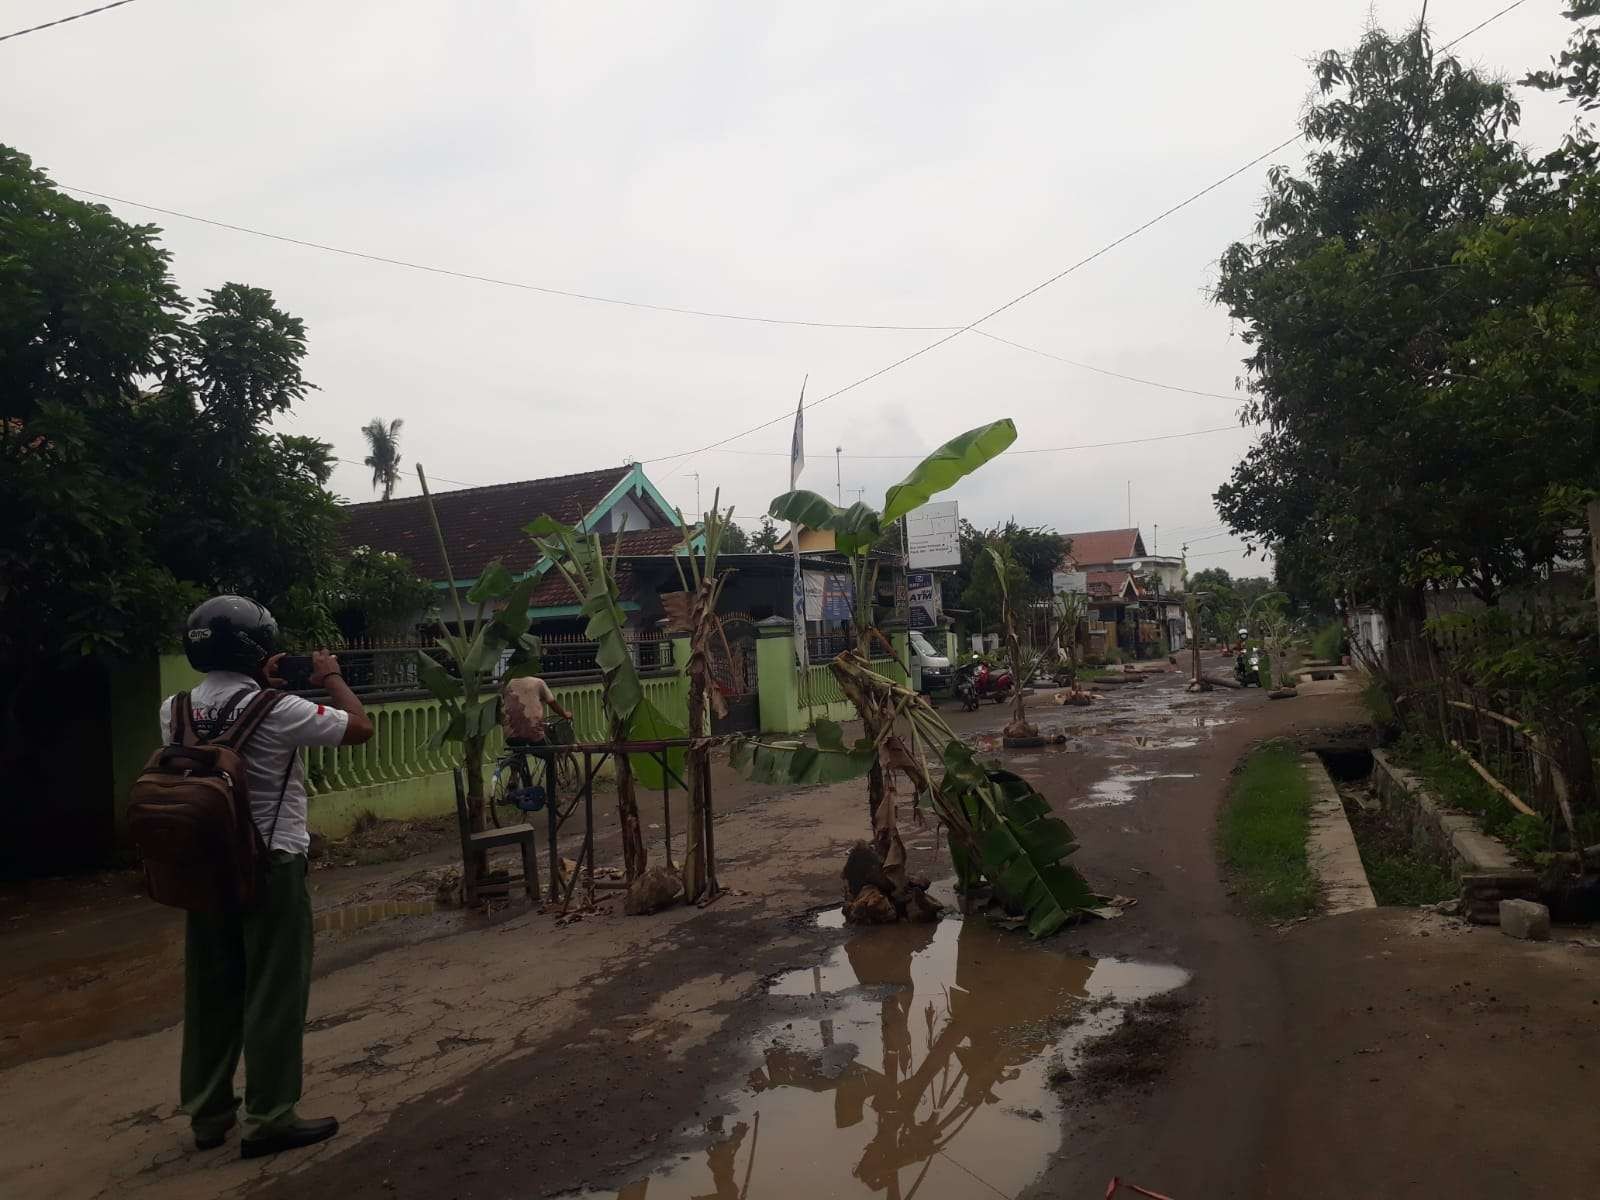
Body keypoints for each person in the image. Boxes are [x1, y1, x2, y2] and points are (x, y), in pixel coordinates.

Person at [161, 595, 374, 1159]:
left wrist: (263, 675)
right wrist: (329, 677)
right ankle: (271, 1116)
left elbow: (220, 718)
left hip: (202, 865)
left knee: (211, 987)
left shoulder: (174, 709)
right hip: (270, 862)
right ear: (256, 646)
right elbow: (360, 728)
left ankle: (208, 1115)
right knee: (273, 988)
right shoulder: (279, 710)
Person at [501, 673, 575, 791]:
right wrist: (565, 714)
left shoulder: (509, 683)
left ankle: (514, 776)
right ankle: (552, 800)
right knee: (550, 757)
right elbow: (552, 703)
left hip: (510, 731)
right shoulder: (538, 682)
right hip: (532, 730)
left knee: (518, 751)